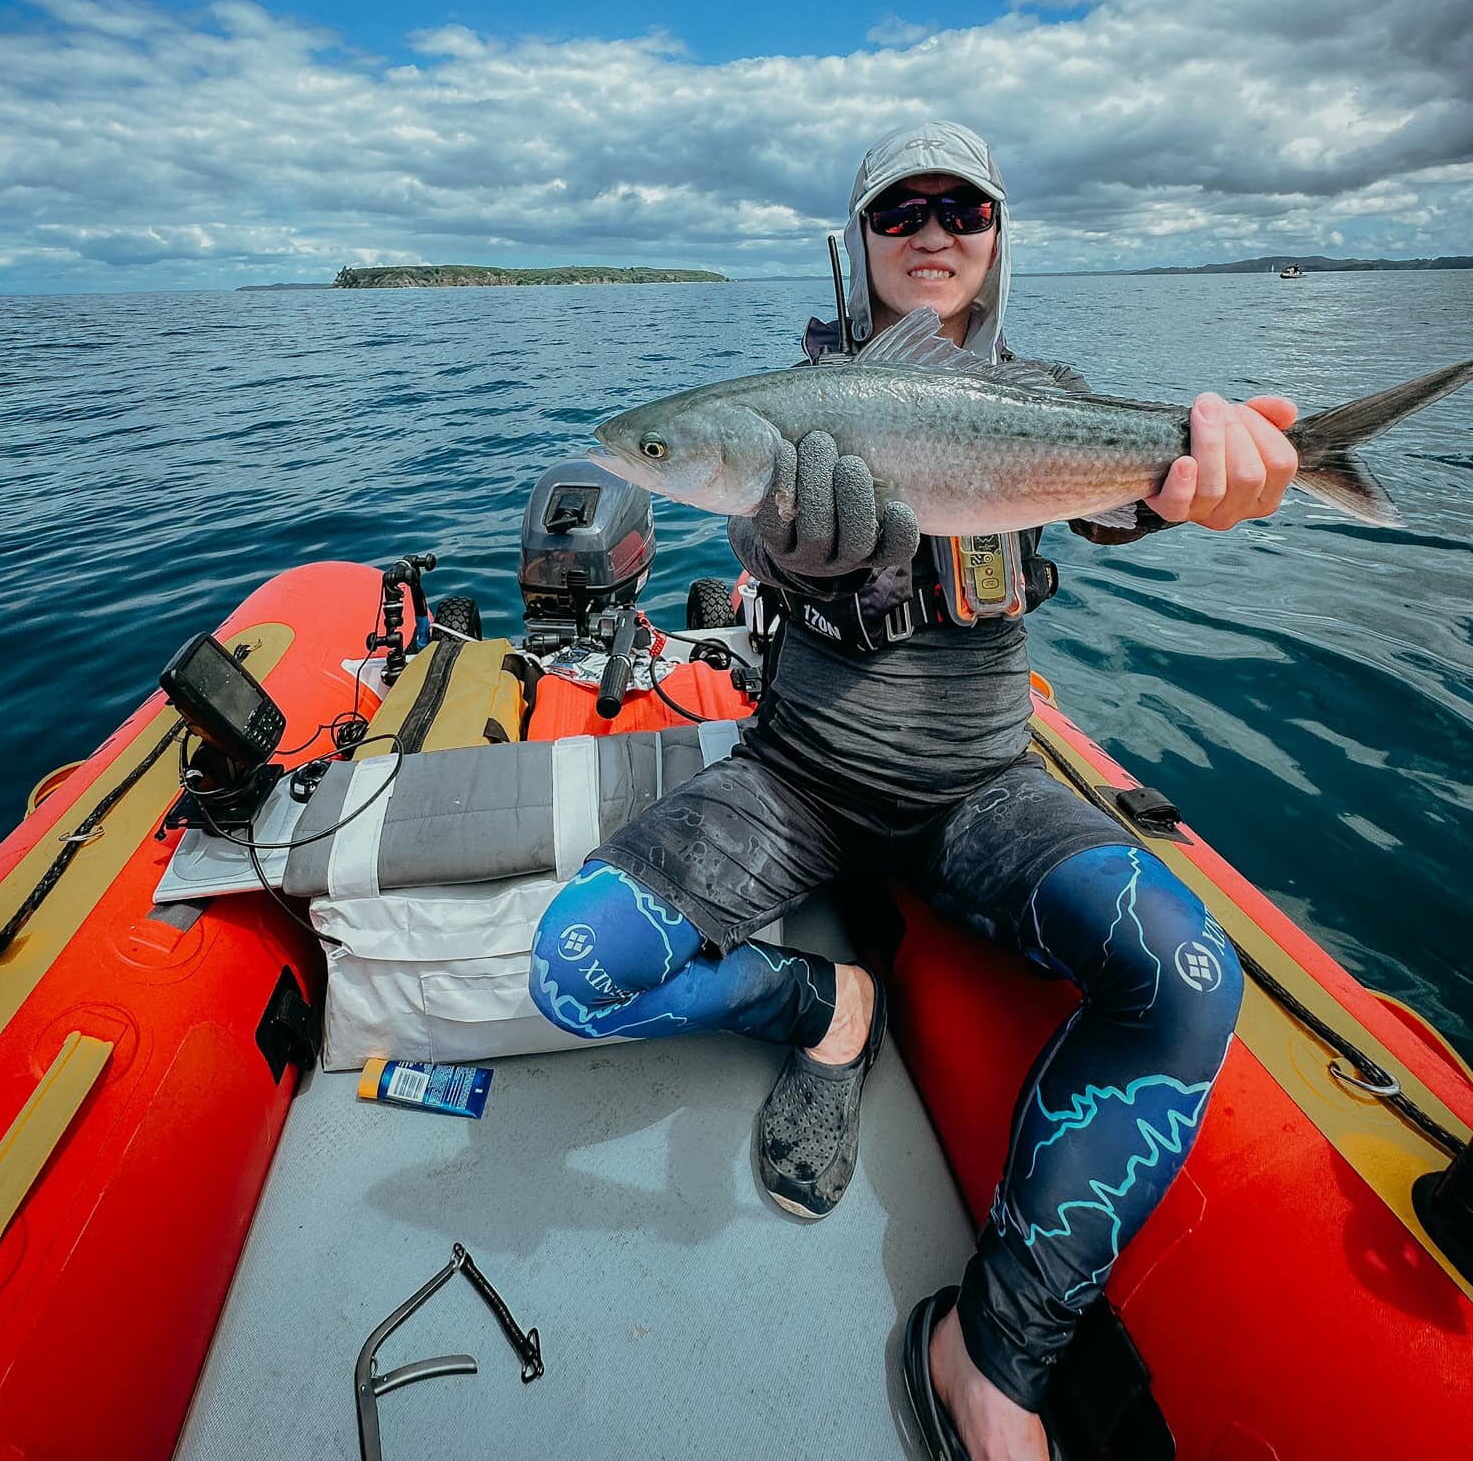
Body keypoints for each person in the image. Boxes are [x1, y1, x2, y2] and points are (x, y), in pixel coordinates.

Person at [528, 121, 1299, 1461]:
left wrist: (1200, 484)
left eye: (966, 208)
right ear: (861, 236)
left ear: (999, 235)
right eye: (900, 210)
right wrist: (791, 553)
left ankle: (990, 1355)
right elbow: (757, 526)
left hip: (979, 788)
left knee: (1188, 975)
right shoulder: (786, 409)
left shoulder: (1034, 393)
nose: (935, 230)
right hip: (801, 774)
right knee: (570, 967)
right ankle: (826, 1004)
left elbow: (1128, 496)